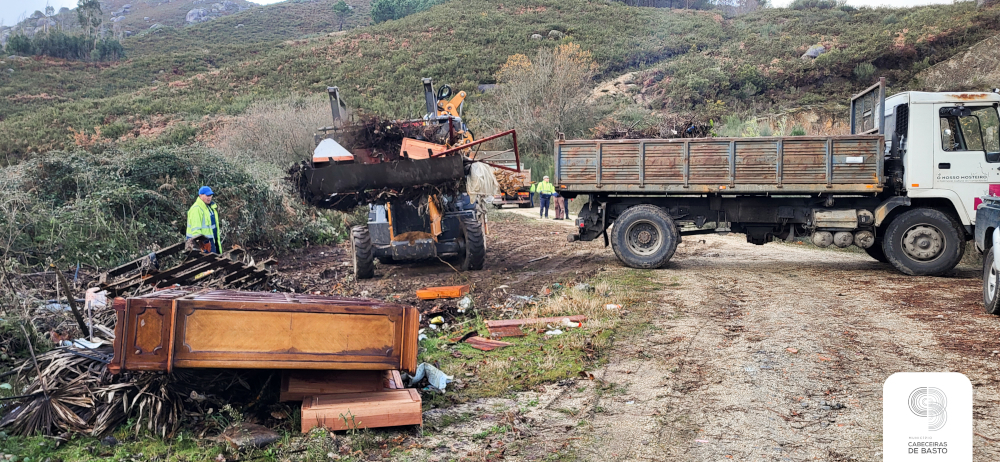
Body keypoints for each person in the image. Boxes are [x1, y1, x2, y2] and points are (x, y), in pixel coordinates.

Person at [186, 186, 221, 253]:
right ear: (200, 195)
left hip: (211, 241)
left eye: (210, 195)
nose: (209, 197)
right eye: (207, 195)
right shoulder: (196, 209)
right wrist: (200, 245)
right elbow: (195, 230)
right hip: (202, 243)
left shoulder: (210, 208)